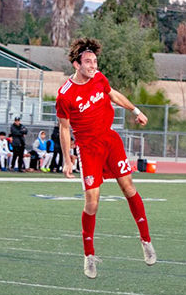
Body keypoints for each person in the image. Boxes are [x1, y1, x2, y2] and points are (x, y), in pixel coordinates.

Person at [55, 37, 155, 279]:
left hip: (110, 142)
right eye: (88, 62)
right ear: (76, 65)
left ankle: (146, 241)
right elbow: (64, 129)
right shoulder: (65, 95)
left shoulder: (99, 79)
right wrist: (68, 160)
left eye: (95, 61)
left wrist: (136, 110)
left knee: (128, 188)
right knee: (92, 202)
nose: (93, 65)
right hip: (88, 149)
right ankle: (89, 256)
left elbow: (113, 95)